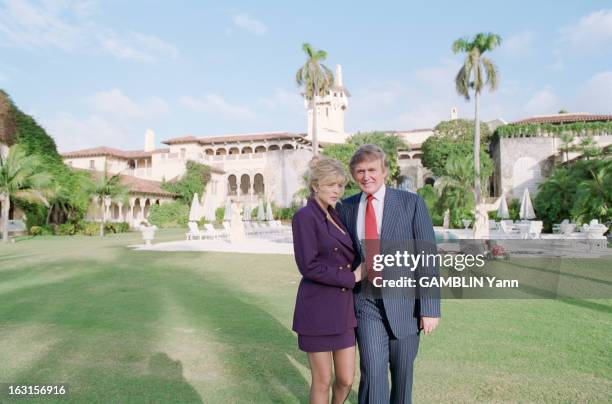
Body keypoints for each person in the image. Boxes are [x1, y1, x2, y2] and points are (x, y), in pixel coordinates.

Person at [337, 144, 441, 404]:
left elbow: (426, 256)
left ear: (384, 171)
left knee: (403, 376)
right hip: (365, 303)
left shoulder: (411, 203)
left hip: (406, 305)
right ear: (353, 175)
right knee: (372, 375)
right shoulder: (346, 208)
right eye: (360, 171)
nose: (366, 176)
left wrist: (429, 308)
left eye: (372, 169)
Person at [292, 156, 364, 404]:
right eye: (331, 184)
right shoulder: (304, 217)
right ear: (315, 185)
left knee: (346, 379)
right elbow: (308, 266)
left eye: (341, 185)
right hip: (317, 310)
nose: (337, 190)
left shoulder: (338, 215)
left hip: (343, 310)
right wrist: (351, 276)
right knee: (322, 381)